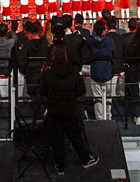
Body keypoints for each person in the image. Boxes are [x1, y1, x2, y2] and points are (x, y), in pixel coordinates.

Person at [37, 44, 99, 172]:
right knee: (75, 136)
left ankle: (60, 166)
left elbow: (42, 92)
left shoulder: (47, 74)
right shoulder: (74, 73)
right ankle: (85, 159)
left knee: (57, 139)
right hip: (71, 109)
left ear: (53, 58)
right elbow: (81, 92)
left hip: (54, 110)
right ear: (66, 58)